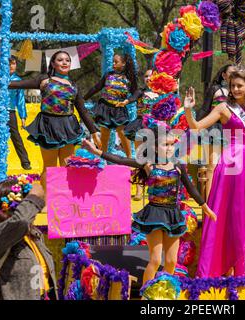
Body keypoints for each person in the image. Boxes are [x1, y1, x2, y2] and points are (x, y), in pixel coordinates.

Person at [183, 69, 245, 296]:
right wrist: (189, 110)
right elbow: (197, 127)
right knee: (232, 219)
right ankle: (228, 270)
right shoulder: (222, 108)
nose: (236, 89)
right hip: (232, 165)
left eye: (240, 85)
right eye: (233, 86)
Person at [82, 125, 216, 287]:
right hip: (154, 215)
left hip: (173, 215)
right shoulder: (148, 164)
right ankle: (147, 293)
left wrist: (206, 207)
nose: (169, 148)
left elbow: (191, 188)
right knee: (155, 259)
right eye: (165, 145)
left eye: (171, 144)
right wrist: (97, 152)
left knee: (172, 261)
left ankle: (163, 292)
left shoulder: (178, 166)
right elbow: (121, 160)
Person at [0, 51, 101, 191]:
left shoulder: (74, 85)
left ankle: (61, 198)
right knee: (49, 167)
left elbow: (83, 111)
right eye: (60, 60)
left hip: (68, 127)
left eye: (67, 60)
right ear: (53, 64)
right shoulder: (45, 80)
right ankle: (47, 199)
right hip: (48, 126)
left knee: (66, 165)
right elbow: (19, 84)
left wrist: (93, 131)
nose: (64, 62)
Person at [0, 176, 57, 300]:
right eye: (28, 205)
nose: (34, 211)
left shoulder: (33, 234)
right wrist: (34, 197)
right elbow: (21, 221)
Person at [84, 53, 138, 158]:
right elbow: (96, 88)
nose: (113, 63)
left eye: (116, 62)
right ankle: (102, 158)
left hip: (119, 109)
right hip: (105, 108)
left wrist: (128, 101)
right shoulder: (108, 75)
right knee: (104, 135)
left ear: (123, 64)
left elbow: (136, 93)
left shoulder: (129, 78)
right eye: (113, 61)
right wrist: (82, 99)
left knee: (122, 133)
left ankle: (129, 159)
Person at [196, 64, 237, 198]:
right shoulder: (215, 89)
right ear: (224, 75)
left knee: (230, 168)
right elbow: (204, 109)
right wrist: (195, 126)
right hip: (214, 130)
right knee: (212, 166)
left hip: (231, 131)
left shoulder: (238, 91)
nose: (233, 75)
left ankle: (224, 198)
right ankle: (208, 201)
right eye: (231, 73)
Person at [123, 69, 157, 200]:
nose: (148, 78)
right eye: (146, 76)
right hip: (140, 125)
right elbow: (132, 98)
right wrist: (126, 101)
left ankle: (153, 187)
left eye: (151, 76)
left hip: (155, 126)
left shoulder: (161, 93)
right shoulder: (141, 92)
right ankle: (138, 189)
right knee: (139, 157)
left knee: (153, 158)